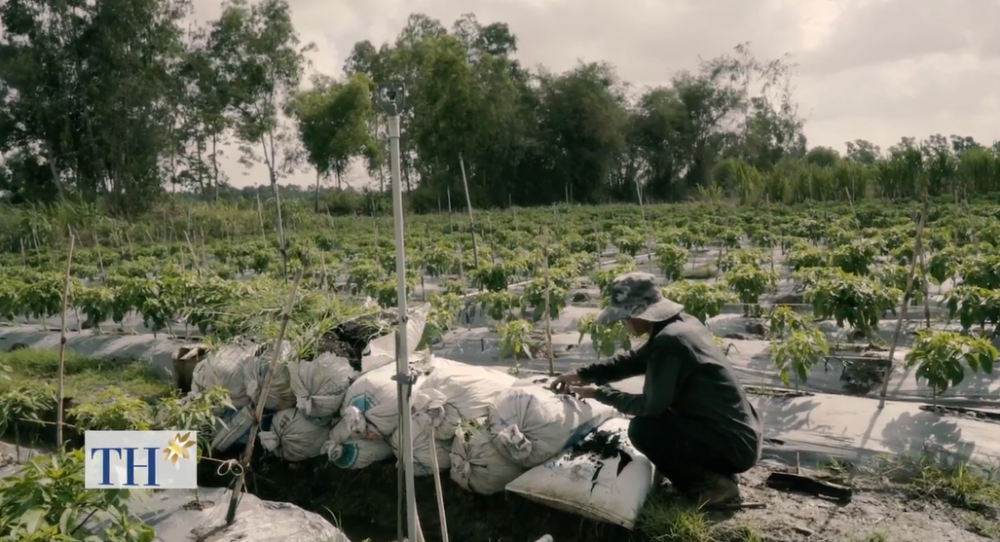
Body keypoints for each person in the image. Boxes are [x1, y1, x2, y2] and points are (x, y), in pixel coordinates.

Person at [550, 272, 762, 507]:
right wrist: (582, 374)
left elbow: (649, 406)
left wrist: (598, 394)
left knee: (644, 430)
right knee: (665, 420)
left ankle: (713, 486)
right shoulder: (680, 325)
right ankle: (714, 472)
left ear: (640, 313)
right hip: (740, 436)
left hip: (733, 447)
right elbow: (633, 361)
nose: (624, 322)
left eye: (626, 316)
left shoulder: (669, 342)